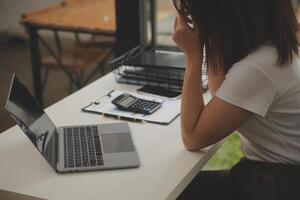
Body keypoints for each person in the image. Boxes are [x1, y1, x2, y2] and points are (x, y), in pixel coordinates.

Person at [172, 0, 300, 199]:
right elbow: (220, 89)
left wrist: (193, 56)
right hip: (277, 177)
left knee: (173, 191)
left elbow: (193, 137)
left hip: (276, 185)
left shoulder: (260, 66)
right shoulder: (273, 49)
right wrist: (212, 37)